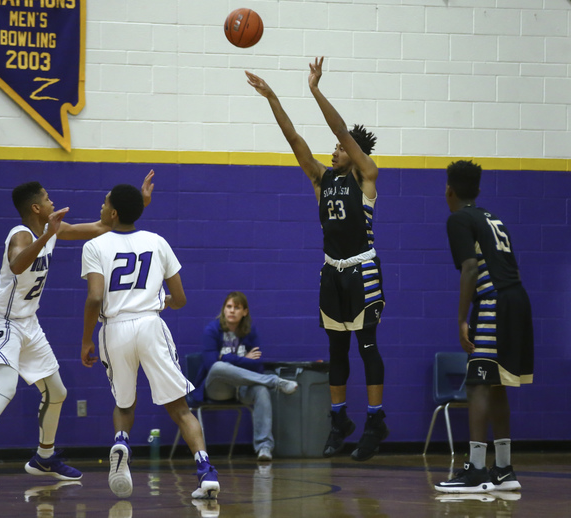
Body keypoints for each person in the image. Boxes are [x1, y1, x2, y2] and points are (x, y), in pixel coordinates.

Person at [0, 171, 154, 488]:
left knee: (57, 392)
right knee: (5, 389)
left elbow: (102, 227)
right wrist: (46, 236)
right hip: (3, 320)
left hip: (29, 322)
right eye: (45, 197)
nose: (51, 199)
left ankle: (44, 457)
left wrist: (140, 204)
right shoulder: (21, 234)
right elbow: (16, 264)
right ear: (36, 208)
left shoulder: (51, 231)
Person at [246, 57, 388, 461]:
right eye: (336, 147)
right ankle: (340, 418)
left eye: (342, 147)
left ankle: (375, 419)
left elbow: (340, 128)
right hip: (332, 272)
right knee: (338, 351)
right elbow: (295, 141)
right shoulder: (321, 179)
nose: (335, 148)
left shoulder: (366, 176)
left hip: (363, 270)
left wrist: (314, 90)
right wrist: (273, 98)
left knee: (367, 348)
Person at [80, 183, 219, 500]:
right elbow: (181, 299)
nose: (101, 208)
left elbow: (95, 298)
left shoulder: (95, 246)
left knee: (124, 404)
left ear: (113, 213)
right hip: (150, 325)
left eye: (104, 204)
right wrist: (159, 301)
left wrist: (86, 338)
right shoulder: (158, 242)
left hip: (114, 328)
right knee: (180, 409)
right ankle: (206, 471)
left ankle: (121, 441)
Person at [435, 160, 533, 493]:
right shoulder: (492, 218)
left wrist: (462, 318)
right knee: (497, 384)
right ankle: (504, 469)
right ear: (477, 190)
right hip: (518, 299)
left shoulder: (458, 218)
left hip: (495, 302)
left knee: (477, 384)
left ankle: (476, 471)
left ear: (449, 191)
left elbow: (470, 269)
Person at [190, 291, 299, 462]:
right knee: (219, 366)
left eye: (237, 307)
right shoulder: (211, 330)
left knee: (261, 390)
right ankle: (274, 381)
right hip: (217, 388)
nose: (232, 311)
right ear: (224, 309)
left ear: (245, 312)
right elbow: (212, 364)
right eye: (229, 307)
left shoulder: (250, 332)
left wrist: (226, 357)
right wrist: (242, 359)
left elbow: (256, 364)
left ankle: (264, 447)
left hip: (241, 388)